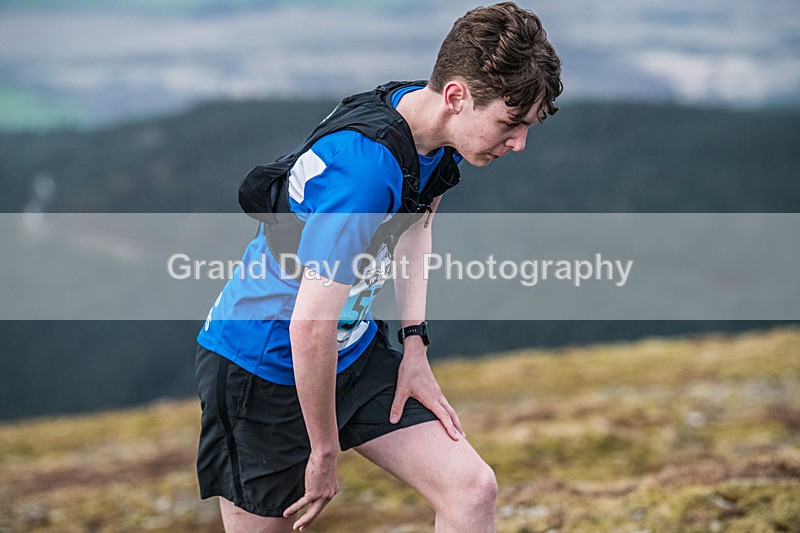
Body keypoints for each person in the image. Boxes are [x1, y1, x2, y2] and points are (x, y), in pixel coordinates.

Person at [194, 2, 562, 531]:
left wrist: (415, 344)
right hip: (262, 368)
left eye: (528, 126)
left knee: (472, 491)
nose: (519, 143)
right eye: (510, 123)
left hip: (351, 352)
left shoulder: (433, 128)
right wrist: (323, 451)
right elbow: (309, 326)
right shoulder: (364, 173)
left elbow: (417, 222)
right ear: (457, 96)